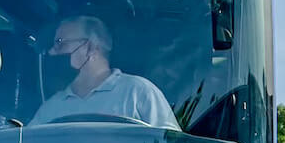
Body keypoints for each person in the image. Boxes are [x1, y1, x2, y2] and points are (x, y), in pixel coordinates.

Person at [30, 15, 178, 129]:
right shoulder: (52, 107)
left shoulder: (138, 92)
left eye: (60, 43)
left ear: (91, 47)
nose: (51, 52)